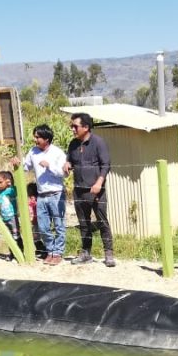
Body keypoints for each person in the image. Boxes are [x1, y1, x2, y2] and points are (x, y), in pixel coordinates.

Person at [64, 113, 115, 267]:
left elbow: (106, 165)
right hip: (79, 190)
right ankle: (86, 253)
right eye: (71, 126)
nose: (72, 129)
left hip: (96, 190)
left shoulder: (98, 143)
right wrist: (67, 165)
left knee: (102, 222)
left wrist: (99, 182)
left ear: (86, 127)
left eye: (75, 126)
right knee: (83, 223)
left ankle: (109, 254)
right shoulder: (73, 144)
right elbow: (70, 160)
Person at [13, 124, 67, 265]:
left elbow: (64, 173)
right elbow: (25, 166)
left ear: (46, 139)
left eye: (38, 137)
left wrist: (49, 166)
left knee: (58, 224)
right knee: (43, 226)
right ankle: (50, 251)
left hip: (56, 193)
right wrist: (17, 163)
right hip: (41, 194)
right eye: (35, 136)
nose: (35, 139)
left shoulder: (57, 153)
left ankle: (58, 253)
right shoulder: (33, 152)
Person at [0, 170, 20, 247]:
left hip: (12, 216)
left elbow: (15, 193)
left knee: (16, 234)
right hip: (4, 217)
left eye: (1, 182)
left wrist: (11, 185)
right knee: (8, 236)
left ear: (7, 181)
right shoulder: (0, 191)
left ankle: (20, 250)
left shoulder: (10, 190)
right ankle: (12, 253)